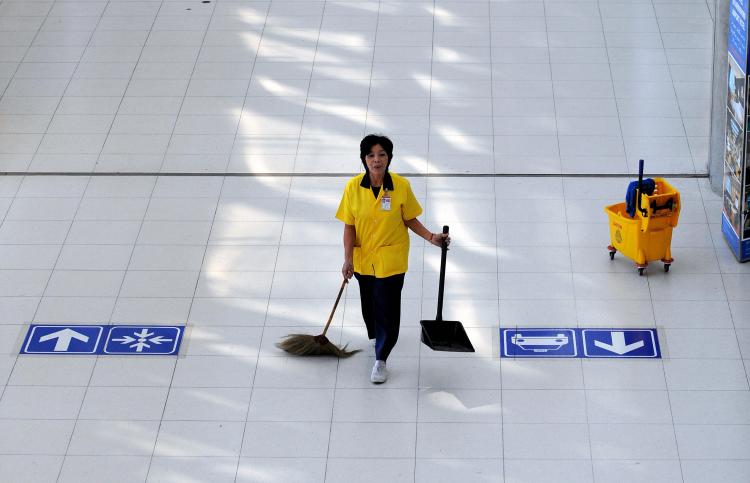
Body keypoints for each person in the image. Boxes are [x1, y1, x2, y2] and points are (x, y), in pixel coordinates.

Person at [335, 134, 449, 384]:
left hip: (391, 259)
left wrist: (431, 237)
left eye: (382, 155)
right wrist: (347, 259)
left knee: (387, 308)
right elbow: (349, 226)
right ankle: (378, 335)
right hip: (363, 258)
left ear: (389, 158)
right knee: (369, 306)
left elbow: (409, 218)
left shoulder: (400, 186)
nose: (377, 160)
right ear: (364, 159)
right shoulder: (353, 187)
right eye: (371, 155)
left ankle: (381, 359)